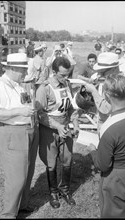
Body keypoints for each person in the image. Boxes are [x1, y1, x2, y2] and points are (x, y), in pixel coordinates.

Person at [86, 74, 125, 218]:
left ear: (107, 95)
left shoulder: (109, 126)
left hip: (117, 177)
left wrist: (93, 151)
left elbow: (103, 165)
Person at [0, 53, 39, 218]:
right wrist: (20, 111)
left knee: (28, 172)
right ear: (10, 68)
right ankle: (8, 214)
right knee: (16, 177)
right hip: (13, 132)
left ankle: (22, 205)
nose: (25, 73)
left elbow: (24, 103)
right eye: (22, 69)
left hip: (28, 130)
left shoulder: (19, 84)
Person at [35, 56, 80, 209]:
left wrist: (75, 122)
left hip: (65, 126)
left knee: (67, 160)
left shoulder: (67, 84)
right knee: (51, 163)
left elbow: (71, 107)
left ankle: (65, 189)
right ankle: (53, 193)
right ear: (54, 72)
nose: (66, 77)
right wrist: (56, 126)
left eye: (68, 74)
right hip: (49, 130)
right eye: (62, 74)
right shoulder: (44, 88)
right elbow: (39, 113)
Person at [84, 52, 125, 132]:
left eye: (102, 72)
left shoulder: (118, 84)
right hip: (108, 124)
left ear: (113, 69)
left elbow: (107, 109)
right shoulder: (114, 79)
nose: (99, 74)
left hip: (113, 127)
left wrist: (93, 91)